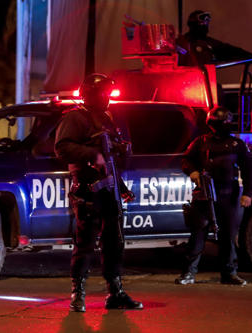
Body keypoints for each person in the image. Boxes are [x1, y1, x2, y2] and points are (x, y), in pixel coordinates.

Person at [54, 73, 143, 312]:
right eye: (105, 93)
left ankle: (115, 293)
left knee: (114, 244)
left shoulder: (105, 118)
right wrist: (92, 156)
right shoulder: (75, 118)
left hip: (110, 191)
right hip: (88, 192)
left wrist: (121, 186)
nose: (108, 98)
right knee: (85, 244)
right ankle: (78, 294)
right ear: (92, 94)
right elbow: (62, 148)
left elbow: (111, 160)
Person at [176, 106, 252, 286]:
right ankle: (188, 273)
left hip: (229, 194)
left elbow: (249, 169)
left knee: (228, 236)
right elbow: (186, 160)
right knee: (198, 234)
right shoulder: (201, 142)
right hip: (205, 194)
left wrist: (248, 193)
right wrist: (193, 172)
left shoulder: (237, 145)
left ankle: (229, 273)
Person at [176, 10, 252, 66]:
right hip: (186, 82)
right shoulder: (181, 42)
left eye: (206, 23)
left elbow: (229, 50)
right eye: (202, 23)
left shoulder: (210, 43)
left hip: (203, 83)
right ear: (193, 24)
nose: (205, 25)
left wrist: (251, 56)